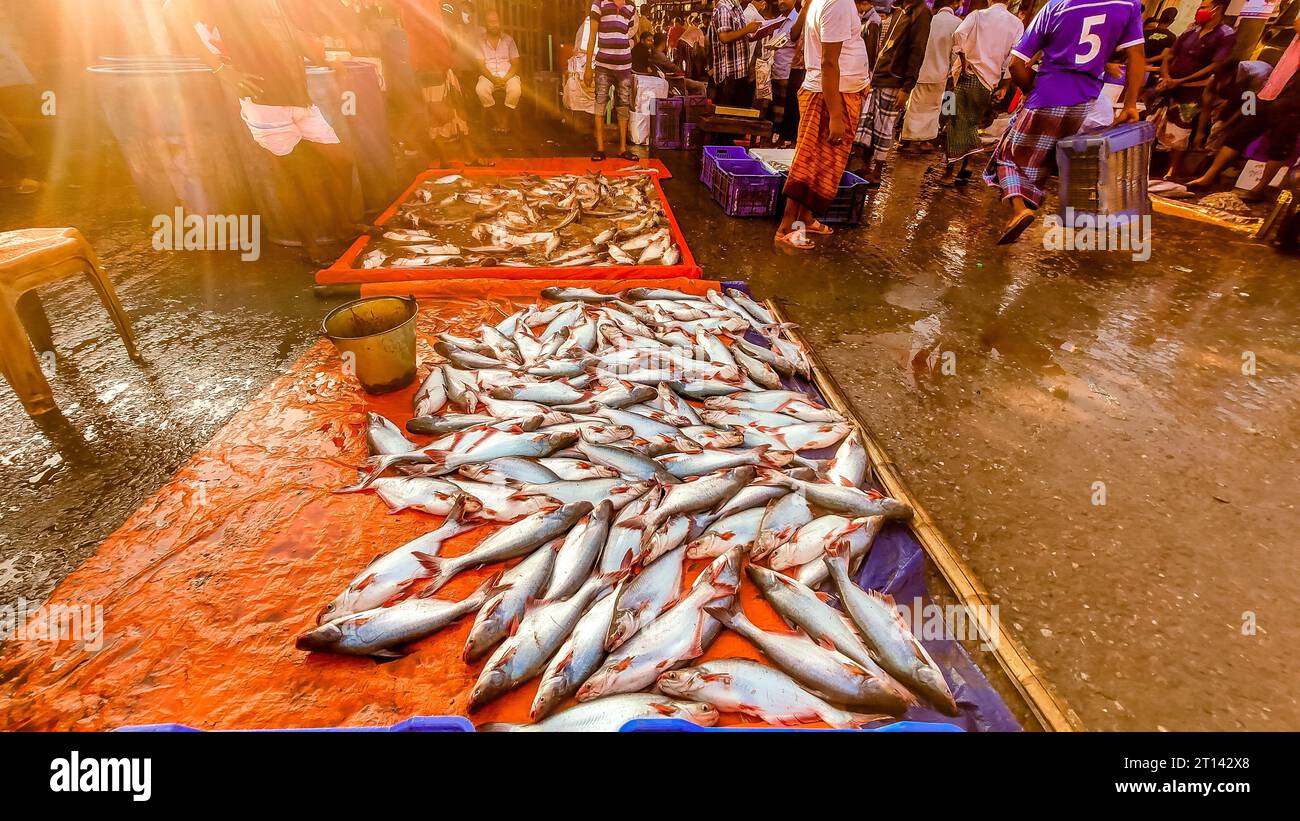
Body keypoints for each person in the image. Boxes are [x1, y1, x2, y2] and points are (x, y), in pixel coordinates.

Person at [163, 0, 356, 263]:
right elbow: (172, 12)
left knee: (342, 161)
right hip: (265, 101)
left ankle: (343, 227)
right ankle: (311, 247)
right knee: (297, 178)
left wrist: (324, 60)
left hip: (298, 95)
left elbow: (290, 32)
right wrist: (222, 71)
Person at [984, 0, 1145, 243]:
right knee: (1041, 160)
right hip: (1084, 101)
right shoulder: (1127, 5)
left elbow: (1016, 63)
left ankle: (1020, 211)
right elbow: (1136, 55)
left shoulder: (1055, 7)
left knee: (1006, 156)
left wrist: (1029, 93)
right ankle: (1027, 209)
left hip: (1047, 95)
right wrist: (1131, 103)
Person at [777, 0, 871, 250]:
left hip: (837, 93)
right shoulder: (836, 2)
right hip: (828, 96)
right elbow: (829, 62)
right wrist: (836, 115)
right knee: (808, 163)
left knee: (822, 166)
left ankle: (806, 218)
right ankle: (788, 226)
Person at [1188, 17, 1300, 202]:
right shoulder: (1220, 79)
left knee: (1279, 147)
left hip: (1288, 102)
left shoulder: (1254, 73)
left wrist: (1231, 121)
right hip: (1265, 95)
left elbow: (1246, 103)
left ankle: (1259, 188)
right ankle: (1207, 177)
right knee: (1237, 136)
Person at [1151, 0, 1236, 181]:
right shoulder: (1190, 30)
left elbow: (1215, 65)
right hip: (1168, 86)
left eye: (1203, 7)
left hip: (1192, 90)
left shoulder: (1225, 34)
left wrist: (1181, 81)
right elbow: (1170, 55)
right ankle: (1146, 162)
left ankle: (1170, 172)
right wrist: (1167, 77)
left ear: (1217, 9)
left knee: (1180, 130)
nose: (1199, 10)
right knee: (1151, 122)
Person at [396, 0, 488, 168]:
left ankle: (470, 155)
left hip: (444, 62)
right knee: (436, 114)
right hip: (428, 64)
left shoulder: (438, 4)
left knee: (459, 110)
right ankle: (444, 160)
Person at [941, 0, 1023, 185]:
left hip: (965, 76)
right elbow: (1013, 57)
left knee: (955, 122)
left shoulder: (978, 15)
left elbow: (958, 34)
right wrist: (1004, 86)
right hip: (988, 83)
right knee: (967, 122)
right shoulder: (1016, 24)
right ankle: (967, 164)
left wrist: (963, 60)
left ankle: (950, 171)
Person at [855, 0, 932, 184]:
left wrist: (906, 88)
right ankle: (866, 165)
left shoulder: (921, 13)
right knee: (869, 122)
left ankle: (877, 170)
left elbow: (917, 52)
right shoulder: (900, 11)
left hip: (893, 79)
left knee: (884, 126)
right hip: (879, 76)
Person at [899, 0, 961, 152]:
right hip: (939, 71)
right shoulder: (957, 23)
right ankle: (921, 141)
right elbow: (956, 52)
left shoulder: (929, 19)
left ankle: (907, 139)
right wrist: (954, 72)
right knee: (932, 108)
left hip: (919, 70)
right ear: (954, 4)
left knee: (914, 106)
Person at [585, 0, 639, 161]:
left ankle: (623, 149)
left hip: (625, 66)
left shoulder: (630, 6)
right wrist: (588, 66)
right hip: (603, 65)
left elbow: (631, 33)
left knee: (623, 105)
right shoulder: (599, 3)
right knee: (600, 102)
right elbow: (592, 35)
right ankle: (600, 148)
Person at [0, 23, 37, 195]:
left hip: (11, 81)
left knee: (5, 130)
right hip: (13, 79)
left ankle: (29, 170)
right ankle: (12, 173)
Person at [474, 10, 521, 136]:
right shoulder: (480, 42)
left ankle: (504, 118)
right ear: (485, 24)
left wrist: (505, 79)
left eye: (496, 21)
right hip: (488, 76)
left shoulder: (508, 40)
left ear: (500, 23)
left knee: (516, 89)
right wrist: (492, 79)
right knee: (481, 89)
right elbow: (481, 65)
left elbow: (515, 63)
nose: (494, 25)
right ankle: (496, 118)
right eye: (491, 22)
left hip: (507, 75)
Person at [711, 0, 762, 106]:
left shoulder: (737, 8)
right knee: (728, 115)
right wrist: (747, 29)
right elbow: (724, 37)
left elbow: (741, 36)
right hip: (729, 74)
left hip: (740, 72)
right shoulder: (723, 8)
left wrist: (761, 33)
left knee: (739, 113)